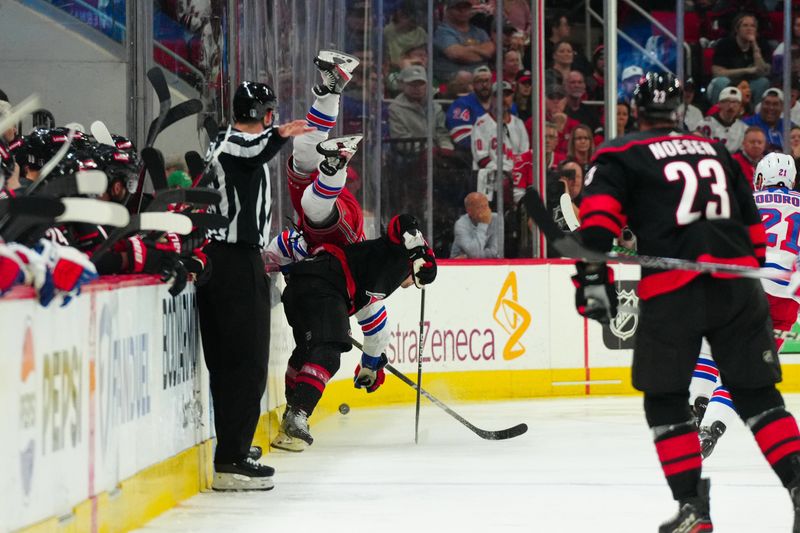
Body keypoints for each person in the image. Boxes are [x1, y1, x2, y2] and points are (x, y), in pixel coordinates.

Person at [570, 72, 800, 531]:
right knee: (758, 397)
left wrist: (591, 283)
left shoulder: (620, 153)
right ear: (680, 112)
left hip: (674, 290)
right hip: (740, 288)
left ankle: (693, 508)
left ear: (637, 111)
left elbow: (596, 232)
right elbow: (755, 238)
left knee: (665, 399)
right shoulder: (718, 152)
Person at [197, 80, 311, 491]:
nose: (274, 119)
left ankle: (233, 448)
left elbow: (254, 151)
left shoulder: (231, 145)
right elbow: (252, 149)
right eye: (270, 114)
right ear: (263, 114)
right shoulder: (233, 144)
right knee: (245, 363)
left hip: (233, 259)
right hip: (232, 262)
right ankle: (230, 459)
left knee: (234, 363)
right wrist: (280, 134)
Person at [268, 214, 437, 445]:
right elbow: (403, 221)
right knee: (328, 355)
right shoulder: (398, 255)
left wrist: (370, 366)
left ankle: (291, 417)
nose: (414, 286)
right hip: (324, 284)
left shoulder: (380, 288)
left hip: (301, 288)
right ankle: (298, 415)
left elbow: (378, 332)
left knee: (307, 352)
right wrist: (421, 252)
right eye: (418, 281)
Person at [689, 153, 800, 458]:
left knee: (709, 348)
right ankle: (712, 425)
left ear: (760, 179)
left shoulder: (744, 199)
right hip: (784, 298)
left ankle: (697, 402)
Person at [707, 12, 771, 105]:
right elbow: (717, 72)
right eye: (745, 25)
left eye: (752, 26)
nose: (749, 29)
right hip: (730, 82)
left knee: (763, 82)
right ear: (737, 29)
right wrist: (746, 71)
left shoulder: (762, 44)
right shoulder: (724, 44)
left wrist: (755, 47)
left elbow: (763, 72)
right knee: (720, 82)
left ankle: (754, 115)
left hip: (750, 84)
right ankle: (718, 114)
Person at [388, 65, 453, 153]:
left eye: (420, 84)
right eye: (412, 84)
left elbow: (442, 132)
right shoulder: (394, 109)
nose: (417, 88)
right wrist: (427, 150)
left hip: (437, 155)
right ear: (402, 85)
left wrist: (446, 147)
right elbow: (401, 140)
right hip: (410, 157)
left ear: (426, 85)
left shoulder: (435, 107)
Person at [433, 0, 495, 84]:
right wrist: (481, 53)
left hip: (482, 82)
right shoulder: (442, 31)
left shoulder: (480, 32)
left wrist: (470, 48)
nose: (462, 11)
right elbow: (457, 55)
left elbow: (490, 51)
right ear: (447, 10)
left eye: (466, 7)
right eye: (458, 8)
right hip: (452, 83)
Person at [446, 65, 493, 150]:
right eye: (480, 81)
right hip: (473, 155)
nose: (484, 85)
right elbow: (461, 137)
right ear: (472, 85)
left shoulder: (503, 104)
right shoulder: (461, 104)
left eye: (487, 81)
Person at [450, 191, 501, 258]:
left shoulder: (496, 219)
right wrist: (483, 224)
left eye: (486, 206)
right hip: (461, 266)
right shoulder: (461, 224)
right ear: (469, 211)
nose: (485, 210)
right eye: (480, 207)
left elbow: (494, 252)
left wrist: (467, 257)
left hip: (486, 265)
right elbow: (475, 254)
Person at [699, 86, 748, 153]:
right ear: (719, 104)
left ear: (740, 106)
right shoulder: (705, 124)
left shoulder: (744, 129)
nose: (731, 106)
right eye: (727, 102)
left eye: (735, 102)